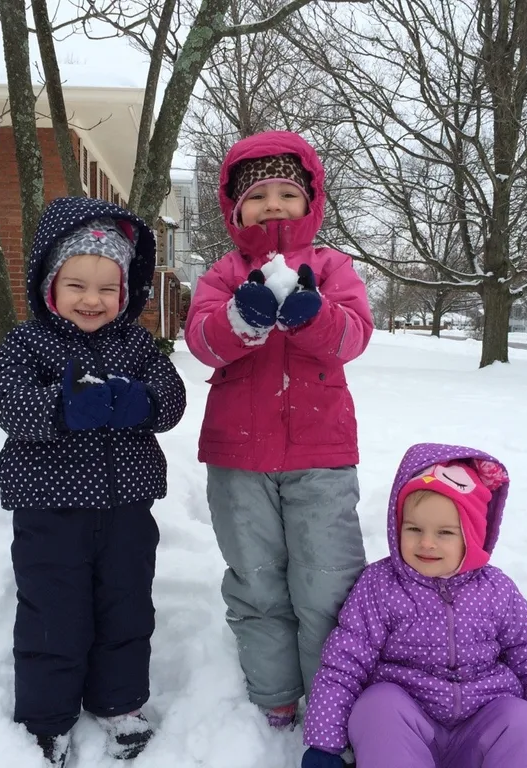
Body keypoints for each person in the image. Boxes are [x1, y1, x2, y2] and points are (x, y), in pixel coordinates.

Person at [184, 130, 374, 729]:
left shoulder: (332, 267)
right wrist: (241, 317)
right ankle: (276, 695)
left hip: (321, 456)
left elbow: (354, 335)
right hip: (238, 462)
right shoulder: (222, 275)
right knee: (257, 581)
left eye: (285, 192)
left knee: (327, 583)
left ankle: (333, 699)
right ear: (234, 207)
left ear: (309, 201)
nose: (272, 204)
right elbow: (203, 342)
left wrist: (313, 318)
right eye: (257, 194)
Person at [0, 197, 186, 767]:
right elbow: (9, 405)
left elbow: (172, 399)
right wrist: (60, 408)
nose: (92, 300)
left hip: (126, 510)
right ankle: (47, 718)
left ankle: (120, 702)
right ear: (49, 284)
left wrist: (142, 401)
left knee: (126, 606)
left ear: (126, 292)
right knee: (53, 612)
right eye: (76, 284)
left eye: (107, 287)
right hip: (49, 512)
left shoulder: (137, 346)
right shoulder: (27, 345)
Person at [301, 442, 527, 768]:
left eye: (445, 532)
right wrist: (324, 743)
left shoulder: (496, 591)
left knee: (526, 722)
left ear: (473, 535)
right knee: (377, 706)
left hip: (483, 723)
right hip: (406, 723)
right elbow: (343, 665)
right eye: (413, 529)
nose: (426, 542)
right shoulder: (379, 586)